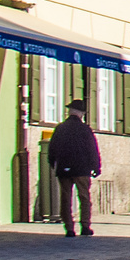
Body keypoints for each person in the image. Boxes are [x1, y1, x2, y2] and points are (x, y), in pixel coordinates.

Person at [51, 99, 101, 237]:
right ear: (82, 114)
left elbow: (52, 148)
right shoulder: (85, 129)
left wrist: (53, 163)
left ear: (70, 111)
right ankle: (85, 226)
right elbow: (92, 149)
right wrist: (96, 167)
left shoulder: (60, 128)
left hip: (64, 168)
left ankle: (69, 228)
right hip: (82, 168)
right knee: (84, 197)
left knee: (65, 198)